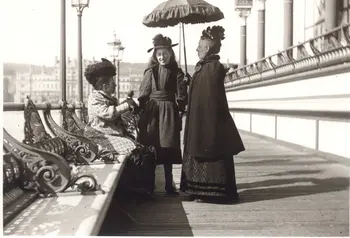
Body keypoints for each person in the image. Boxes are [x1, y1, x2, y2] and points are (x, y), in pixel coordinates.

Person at [180, 26, 245, 203]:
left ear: (207, 48)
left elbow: (209, 96)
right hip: (200, 121)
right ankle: (199, 190)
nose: (196, 49)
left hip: (208, 123)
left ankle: (211, 192)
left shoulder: (213, 68)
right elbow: (200, 91)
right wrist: (190, 82)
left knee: (210, 154)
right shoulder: (205, 67)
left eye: (199, 46)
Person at [83, 58, 156, 194]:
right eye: (113, 83)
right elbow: (107, 113)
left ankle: (140, 187)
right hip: (99, 137)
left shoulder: (107, 97)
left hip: (109, 135)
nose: (115, 86)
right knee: (135, 150)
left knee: (142, 150)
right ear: (104, 86)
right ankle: (133, 189)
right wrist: (126, 105)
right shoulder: (95, 98)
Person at [138, 34, 188, 194]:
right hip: (152, 112)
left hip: (169, 112)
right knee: (152, 145)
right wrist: (142, 112)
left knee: (168, 145)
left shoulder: (177, 72)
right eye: (159, 54)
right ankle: (150, 183)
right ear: (155, 55)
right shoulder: (150, 72)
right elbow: (143, 94)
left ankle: (169, 182)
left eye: (165, 53)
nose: (162, 57)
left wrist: (181, 106)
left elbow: (181, 95)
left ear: (171, 54)